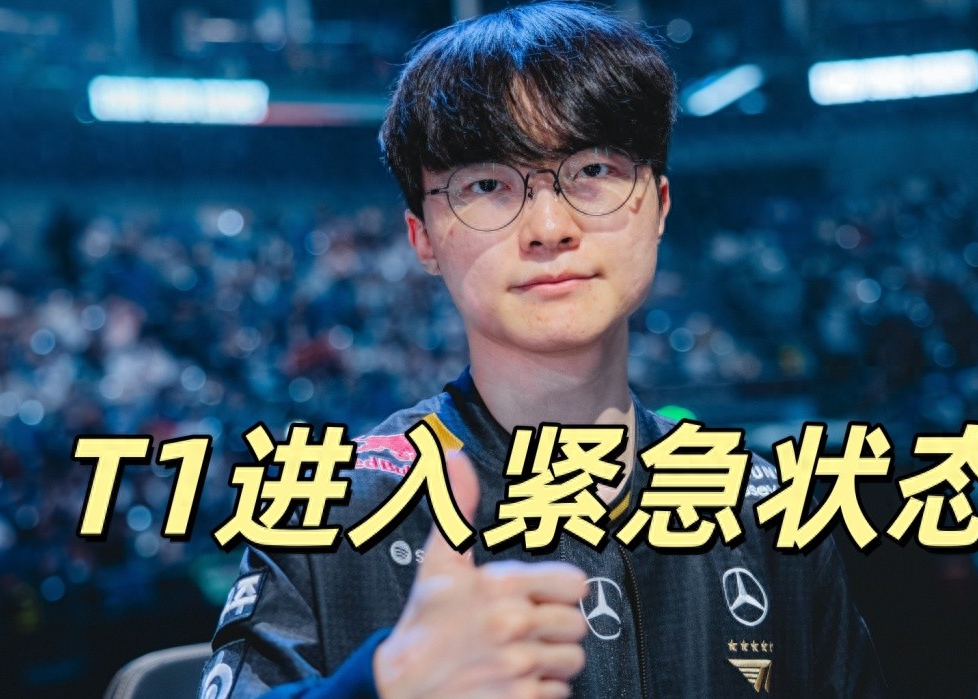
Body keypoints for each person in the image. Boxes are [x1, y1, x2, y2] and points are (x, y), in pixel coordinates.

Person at [200, 3, 885, 697]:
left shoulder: (764, 507)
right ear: (423, 238)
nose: (549, 226)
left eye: (592, 169)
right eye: (487, 185)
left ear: (659, 204)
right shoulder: (329, 507)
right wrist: (383, 685)